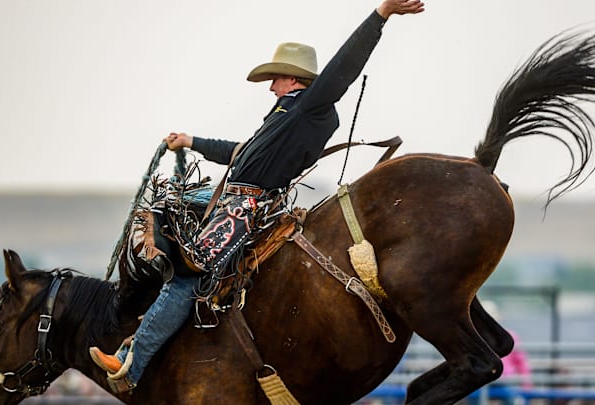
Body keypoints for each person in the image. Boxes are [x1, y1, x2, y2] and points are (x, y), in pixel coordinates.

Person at [90, 0, 425, 392]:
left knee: (187, 274)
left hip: (242, 209)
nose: (270, 86)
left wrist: (380, 15)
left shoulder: (308, 109)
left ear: (294, 79)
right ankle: (144, 337)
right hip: (231, 202)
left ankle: (132, 367)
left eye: (276, 78)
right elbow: (239, 152)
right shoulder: (283, 117)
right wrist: (190, 141)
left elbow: (343, 67)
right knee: (170, 241)